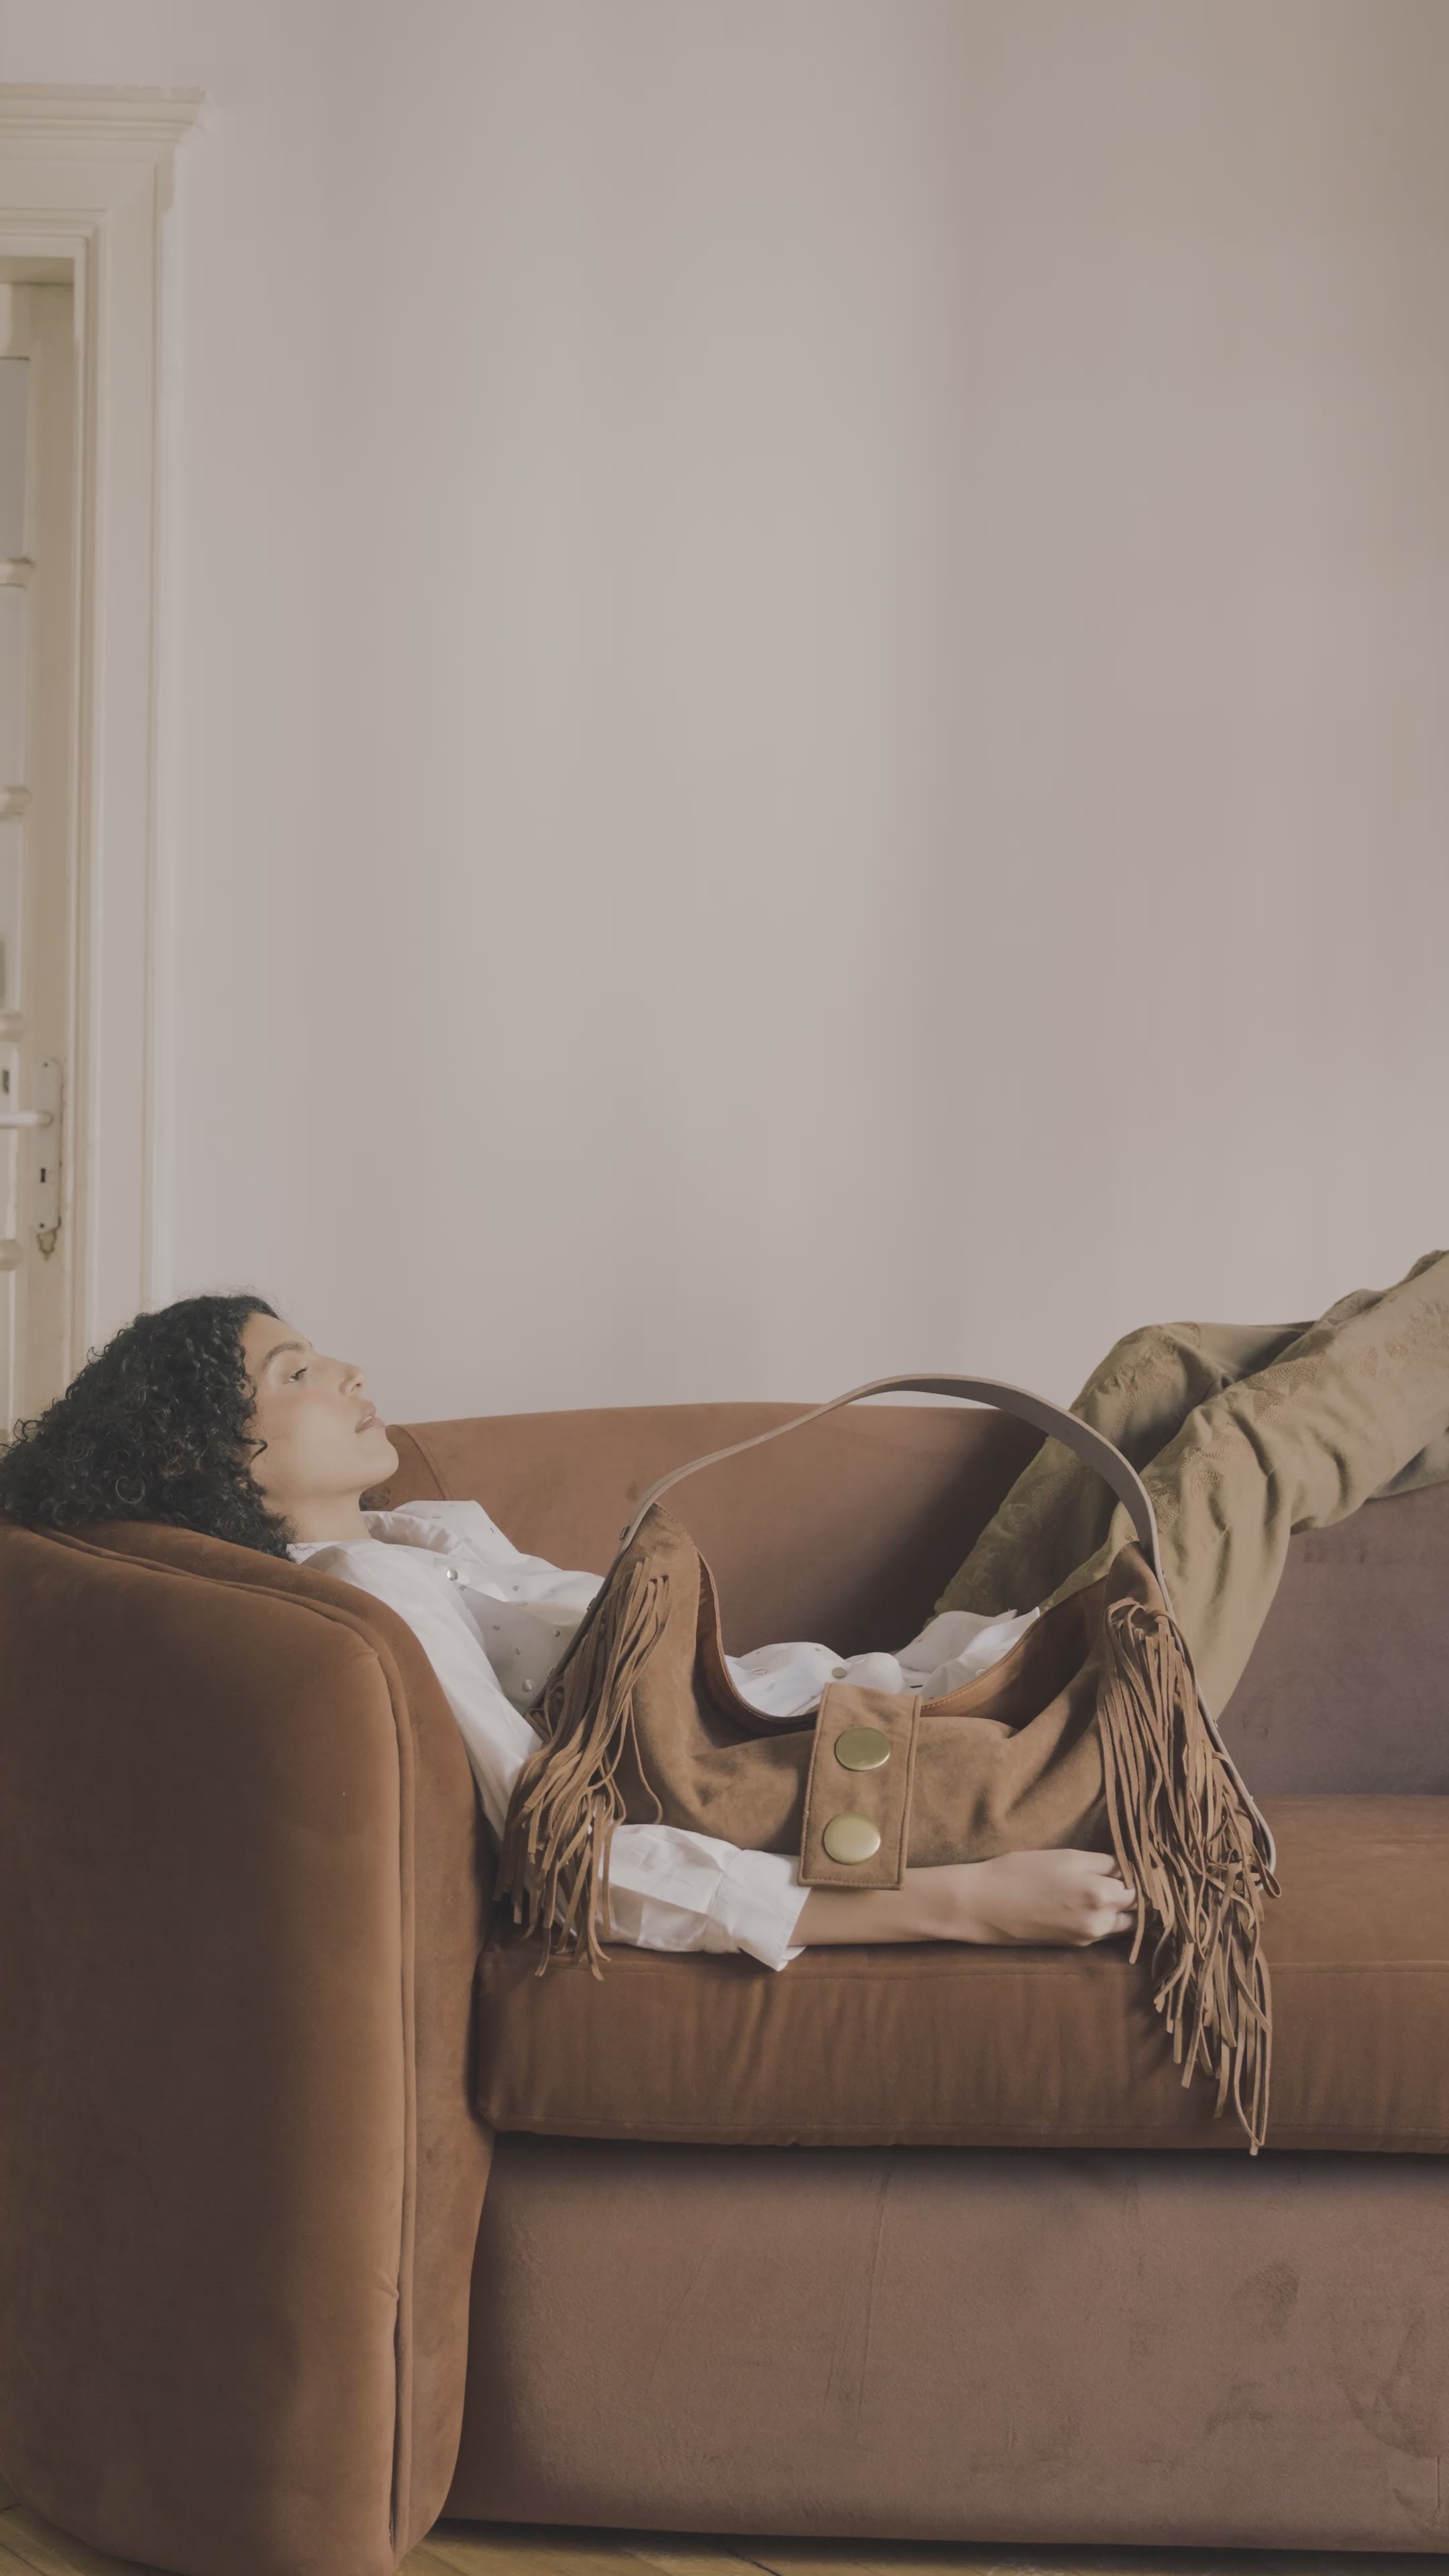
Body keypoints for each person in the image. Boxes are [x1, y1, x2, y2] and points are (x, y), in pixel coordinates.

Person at [5, 1252, 1445, 1968]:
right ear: (224, 1460)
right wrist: (957, 1904)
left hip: (898, 1702)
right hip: (977, 1775)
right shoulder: (363, 1611)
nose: (347, 1373)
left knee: (1151, 1373)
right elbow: (579, 1863)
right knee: (1246, 1454)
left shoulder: (413, 1540)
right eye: (297, 1374)